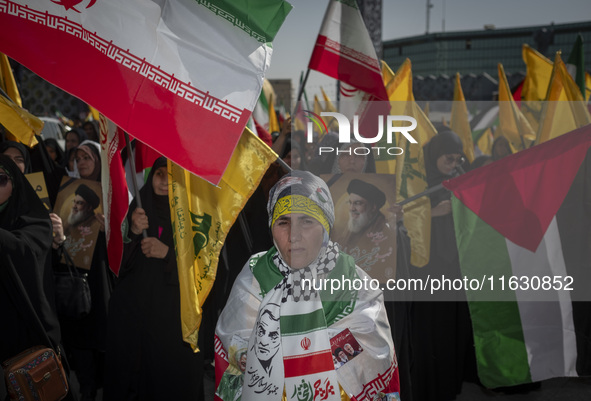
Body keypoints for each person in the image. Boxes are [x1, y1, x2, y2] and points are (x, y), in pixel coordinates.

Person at [216, 170, 398, 401]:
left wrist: (291, 360)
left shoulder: (354, 281)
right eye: (283, 222)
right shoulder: (254, 275)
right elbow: (236, 336)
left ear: (325, 227)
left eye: (307, 221)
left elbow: (369, 345)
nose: (294, 235)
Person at [104, 157, 204, 401]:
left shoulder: (194, 214)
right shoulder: (139, 207)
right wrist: (133, 232)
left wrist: (167, 253)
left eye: (172, 177)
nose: (164, 182)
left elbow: (204, 267)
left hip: (172, 317)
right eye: (160, 175)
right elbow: (120, 265)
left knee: (168, 380)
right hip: (135, 313)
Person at [0, 155, 76, 401]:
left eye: (1, 180)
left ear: (16, 185)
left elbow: (23, 251)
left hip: (24, 337)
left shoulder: (37, 222)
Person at [409, 129, 477, 401]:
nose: (453, 164)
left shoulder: (459, 177)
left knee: (452, 326)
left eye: (457, 159)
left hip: (454, 267)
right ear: (435, 154)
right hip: (427, 267)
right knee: (430, 327)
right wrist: (432, 212)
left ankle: (451, 383)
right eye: (448, 158)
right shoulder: (418, 180)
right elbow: (401, 218)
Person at [332, 179, 395, 274]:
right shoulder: (349, 231)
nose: (352, 208)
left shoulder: (385, 233)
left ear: (373, 207)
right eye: (350, 203)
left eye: (358, 203)